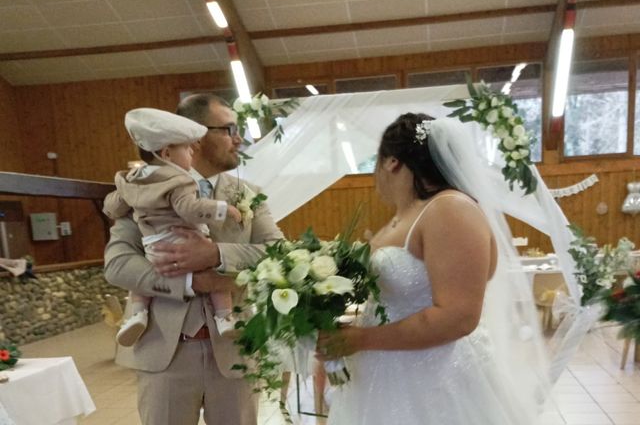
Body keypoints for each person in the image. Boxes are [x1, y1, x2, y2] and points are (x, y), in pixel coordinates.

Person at [317, 113, 549, 425]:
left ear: (391, 162)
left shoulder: (450, 208)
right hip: (385, 374)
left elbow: (458, 317)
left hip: (435, 379)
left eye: (376, 162)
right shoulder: (405, 215)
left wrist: (362, 339)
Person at [104, 94, 284, 425]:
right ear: (196, 139)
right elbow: (117, 263)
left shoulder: (247, 195)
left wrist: (215, 253)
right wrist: (186, 282)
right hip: (164, 354)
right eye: (229, 128)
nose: (238, 138)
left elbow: (278, 252)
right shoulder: (142, 188)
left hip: (235, 352)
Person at [103, 108, 243, 346]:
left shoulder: (133, 181)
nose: (192, 151)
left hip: (154, 249)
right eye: (188, 148)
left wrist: (120, 203)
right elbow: (189, 208)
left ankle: (137, 314)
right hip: (182, 241)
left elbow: (111, 207)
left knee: (141, 284)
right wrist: (223, 210)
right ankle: (225, 318)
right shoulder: (180, 180)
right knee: (218, 278)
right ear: (167, 153)